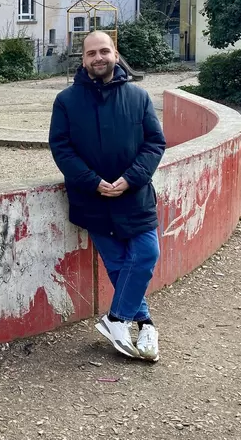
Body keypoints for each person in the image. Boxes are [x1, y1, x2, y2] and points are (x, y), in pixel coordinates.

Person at [49, 31, 166, 361]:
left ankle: (116, 318)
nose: (98, 58)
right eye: (91, 53)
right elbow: (61, 148)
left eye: (104, 51)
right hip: (93, 199)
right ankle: (145, 324)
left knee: (145, 254)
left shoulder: (139, 97)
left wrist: (130, 179)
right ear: (83, 59)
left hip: (135, 195)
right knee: (117, 264)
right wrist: (92, 181)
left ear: (116, 54)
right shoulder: (67, 101)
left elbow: (155, 143)